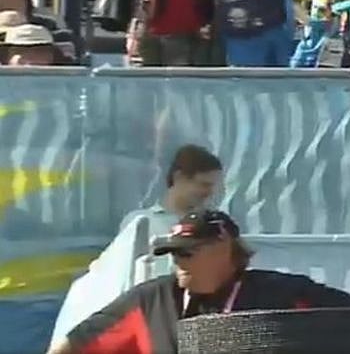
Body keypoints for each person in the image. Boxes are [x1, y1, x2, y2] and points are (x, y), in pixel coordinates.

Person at [46, 210, 350, 354]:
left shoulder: (281, 294)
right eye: (172, 254)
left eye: (187, 253)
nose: (177, 262)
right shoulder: (151, 300)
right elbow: (71, 346)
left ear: (224, 248)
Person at [49, 146, 223, 347]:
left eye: (212, 187)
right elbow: (121, 276)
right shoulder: (141, 223)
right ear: (179, 177)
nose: (209, 193)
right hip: (157, 319)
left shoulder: (214, 225)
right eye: (203, 184)